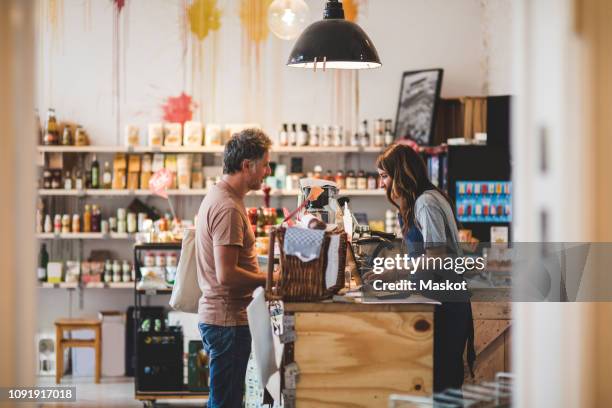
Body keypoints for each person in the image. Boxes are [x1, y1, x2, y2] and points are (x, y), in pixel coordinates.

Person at [366, 143, 475, 393]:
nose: (381, 183)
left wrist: (393, 271)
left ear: (400, 174)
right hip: (437, 300)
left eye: (384, 176)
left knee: (442, 384)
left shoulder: (426, 202)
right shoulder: (424, 199)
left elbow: (435, 257)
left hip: (446, 305)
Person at [195, 128, 273, 407]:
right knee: (226, 402)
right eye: (264, 164)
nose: (267, 170)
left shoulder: (223, 197)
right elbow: (226, 275)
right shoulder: (227, 207)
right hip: (226, 320)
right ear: (246, 165)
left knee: (224, 398)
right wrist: (270, 279)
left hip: (224, 318)